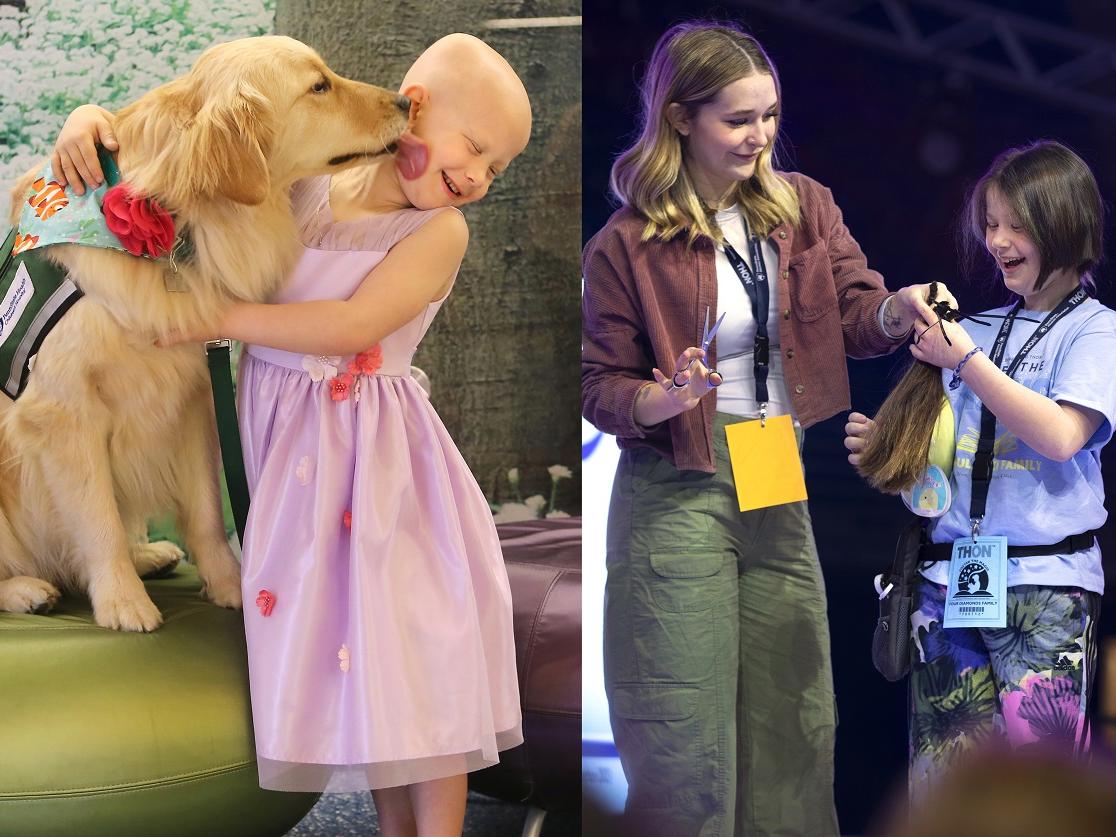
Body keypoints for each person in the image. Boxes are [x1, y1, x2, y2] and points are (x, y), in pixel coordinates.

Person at [54, 33, 532, 837]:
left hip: (377, 470)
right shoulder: (313, 184)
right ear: (413, 107)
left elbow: (349, 325)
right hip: (295, 461)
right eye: (476, 148)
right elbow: (183, 136)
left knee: (413, 657)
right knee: (364, 668)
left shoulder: (439, 231)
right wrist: (87, 121)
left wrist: (211, 317)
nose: (480, 177)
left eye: (499, 168)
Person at [581, 19, 949, 837]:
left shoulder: (803, 205)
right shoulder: (626, 243)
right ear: (680, 118)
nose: (760, 136)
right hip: (678, 478)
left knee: (796, 715)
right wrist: (664, 398)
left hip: (776, 461)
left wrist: (898, 308)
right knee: (683, 733)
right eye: (739, 119)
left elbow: (855, 310)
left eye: (771, 115)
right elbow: (599, 384)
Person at [845, 140, 1115, 798]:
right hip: (948, 582)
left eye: (1016, 224)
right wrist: (891, 450)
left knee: (1043, 793)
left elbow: (1061, 436)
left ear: (1063, 223)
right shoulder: (974, 328)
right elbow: (940, 471)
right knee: (943, 789)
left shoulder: (1096, 331)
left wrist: (965, 360)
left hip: (1046, 587)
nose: (997, 241)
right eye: (991, 224)